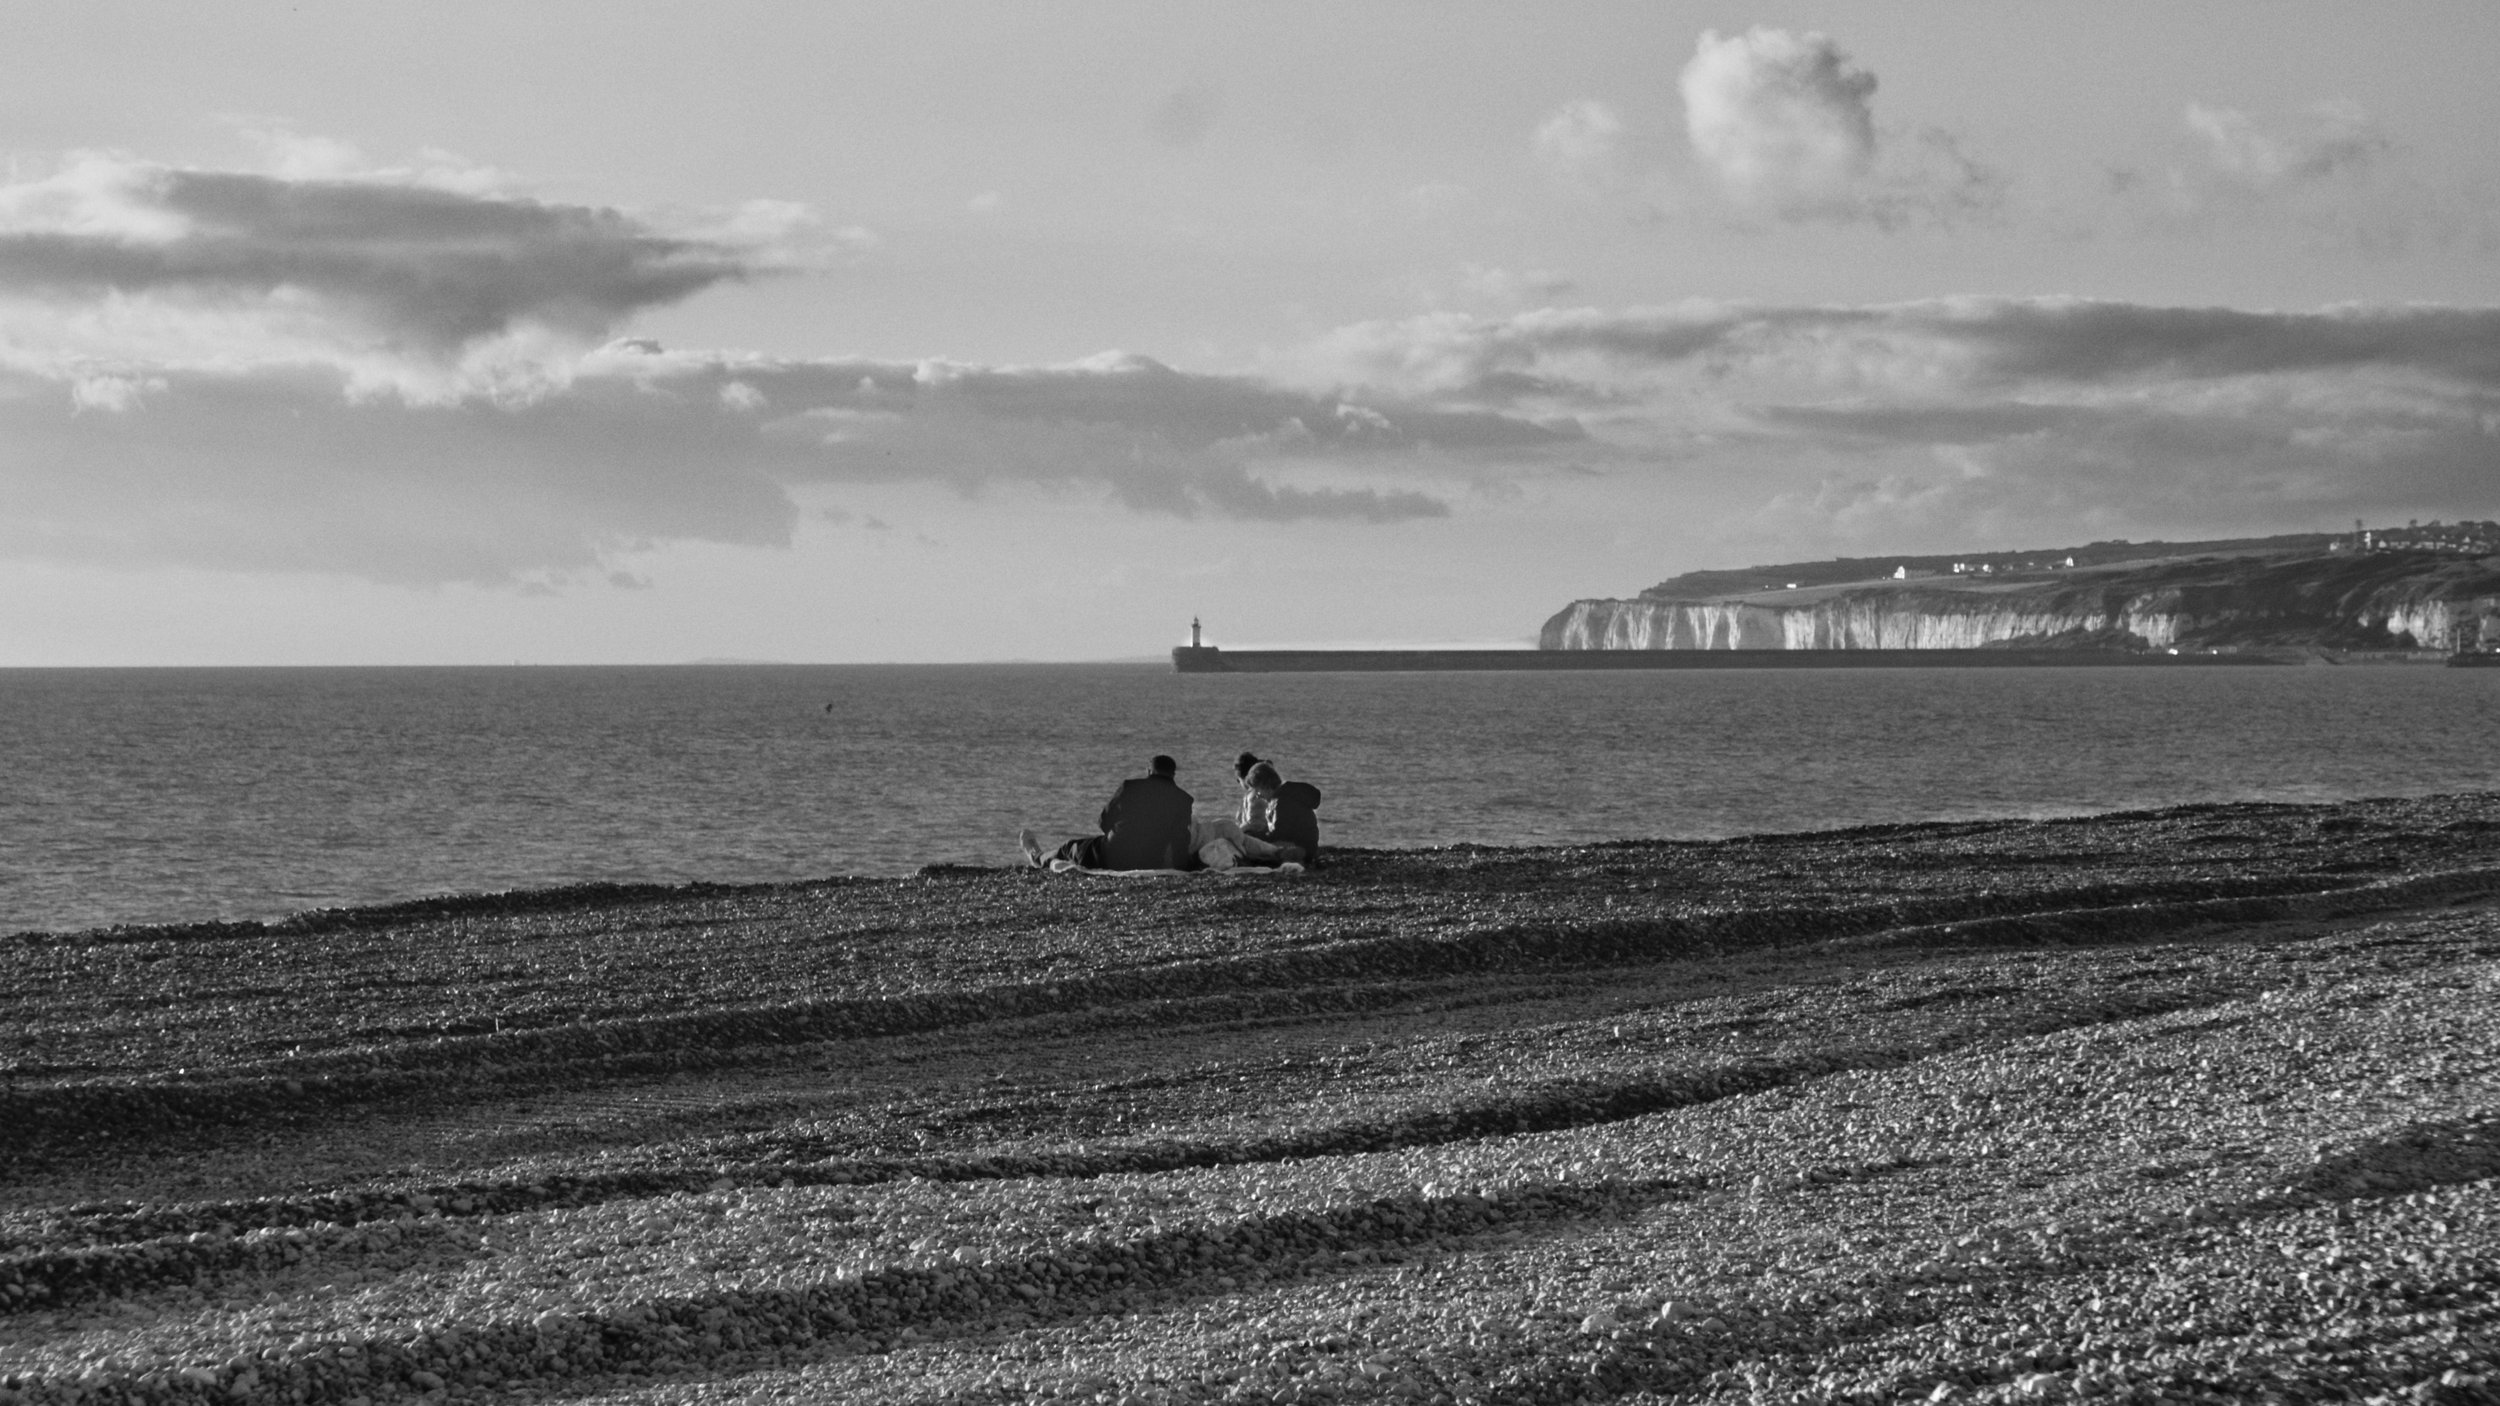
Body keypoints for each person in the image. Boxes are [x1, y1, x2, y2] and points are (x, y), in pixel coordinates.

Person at [1021, 754, 1195, 870]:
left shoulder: (1130, 788)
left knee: (1069, 848)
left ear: (1149, 771)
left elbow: (1103, 821)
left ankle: (1037, 858)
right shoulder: (1184, 800)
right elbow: (1180, 841)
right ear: (1173, 774)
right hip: (1150, 860)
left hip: (1110, 855)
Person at [1244, 760, 1322, 867]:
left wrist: (1254, 837)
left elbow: (1279, 834)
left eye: (1257, 790)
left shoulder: (1282, 801)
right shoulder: (1278, 799)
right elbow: (1274, 830)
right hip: (1305, 846)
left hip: (1301, 847)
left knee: (1259, 851)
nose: (1258, 795)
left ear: (1264, 785)